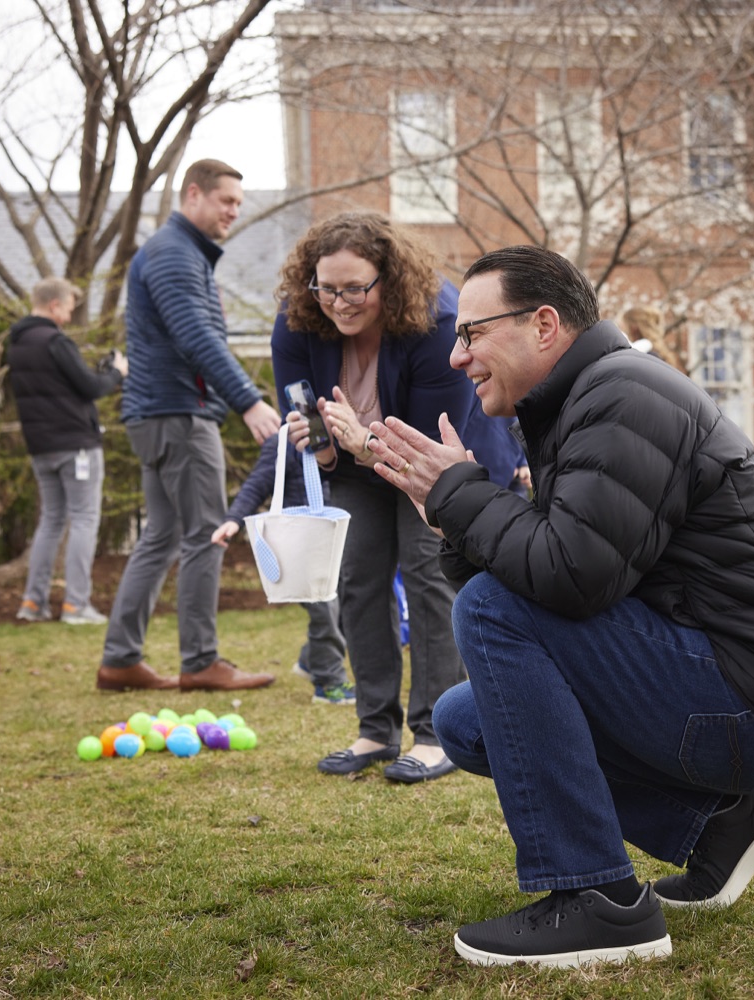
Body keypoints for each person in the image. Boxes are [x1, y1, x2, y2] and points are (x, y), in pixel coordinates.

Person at [367, 245, 754, 967]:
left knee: (492, 610)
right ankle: (720, 825)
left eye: (471, 333)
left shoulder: (625, 397)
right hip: (735, 683)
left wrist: (462, 497)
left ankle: (600, 902)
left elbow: (569, 578)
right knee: (465, 721)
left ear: (543, 325)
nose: (457, 356)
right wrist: (454, 518)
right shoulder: (584, 402)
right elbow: (552, 581)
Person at [272, 211, 521, 784]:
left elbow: (425, 447)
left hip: (432, 457)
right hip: (354, 462)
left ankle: (434, 735)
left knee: (428, 574)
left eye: (354, 288)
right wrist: (326, 448)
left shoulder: (438, 323)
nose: (339, 303)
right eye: (327, 288)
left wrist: (362, 441)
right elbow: (304, 411)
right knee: (359, 579)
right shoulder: (297, 320)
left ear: (389, 279)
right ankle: (375, 728)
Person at [96, 159, 281, 694]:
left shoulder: (175, 252)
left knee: (162, 535)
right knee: (206, 533)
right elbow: (196, 335)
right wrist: (248, 401)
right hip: (179, 414)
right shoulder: (174, 253)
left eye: (239, 204)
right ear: (193, 194)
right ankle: (200, 661)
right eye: (226, 201)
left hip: (157, 414)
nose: (234, 212)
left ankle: (120, 659)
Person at [6, 277, 127, 625]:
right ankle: (76, 605)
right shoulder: (55, 341)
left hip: (40, 447)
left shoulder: (17, 343)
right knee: (85, 519)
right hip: (76, 446)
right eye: (69, 309)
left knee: (51, 520)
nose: (70, 317)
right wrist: (116, 373)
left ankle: (33, 603)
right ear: (54, 305)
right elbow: (90, 387)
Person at [210, 437, 354, 706]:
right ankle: (329, 683)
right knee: (325, 610)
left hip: (329, 546)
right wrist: (233, 519)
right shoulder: (284, 443)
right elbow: (257, 484)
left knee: (343, 609)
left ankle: (310, 660)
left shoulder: (339, 439)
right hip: (298, 552)